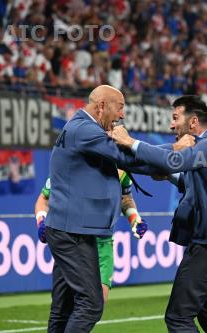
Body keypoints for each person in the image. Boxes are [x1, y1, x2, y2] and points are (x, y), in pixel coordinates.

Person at [110, 95, 207, 333]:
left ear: (193, 123)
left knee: (178, 318)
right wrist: (122, 156)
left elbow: (171, 159)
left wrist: (130, 142)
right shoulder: (203, 151)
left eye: (175, 118)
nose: (172, 125)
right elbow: (172, 168)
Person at [44, 85, 155, 332]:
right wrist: (173, 155)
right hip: (72, 232)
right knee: (91, 304)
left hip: (73, 229)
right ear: (102, 105)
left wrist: (133, 216)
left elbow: (124, 190)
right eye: (120, 107)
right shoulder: (86, 130)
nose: (122, 115)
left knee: (62, 309)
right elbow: (128, 159)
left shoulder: (82, 130)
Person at [34, 170, 146, 303]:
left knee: (96, 305)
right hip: (73, 241)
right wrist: (41, 221)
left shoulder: (122, 163)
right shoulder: (71, 161)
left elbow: (126, 197)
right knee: (63, 306)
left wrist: (135, 218)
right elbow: (44, 199)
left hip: (103, 242)